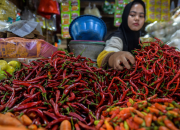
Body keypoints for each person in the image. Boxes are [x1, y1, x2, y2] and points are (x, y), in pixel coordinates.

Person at [97, 0, 146, 70]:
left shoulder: (138, 40)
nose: (137, 18)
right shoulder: (117, 37)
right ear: (125, 16)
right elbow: (106, 54)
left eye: (141, 16)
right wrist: (114, 57)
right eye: (132, 15)